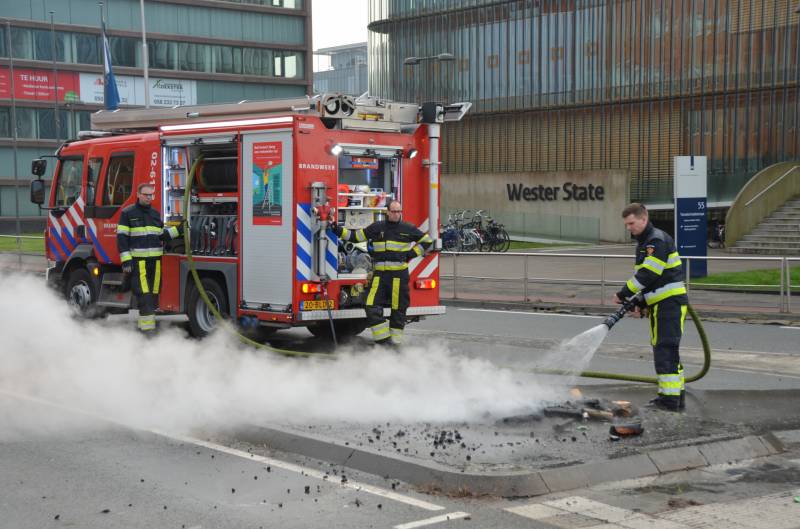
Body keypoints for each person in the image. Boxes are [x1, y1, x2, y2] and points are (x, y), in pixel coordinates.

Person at [613, 203, 688, 411]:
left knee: (665, 350)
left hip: (669, 304)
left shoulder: (656, 240)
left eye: (631, 223)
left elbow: (649, 274)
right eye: (626, 224)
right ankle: (675, 396)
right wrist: (641, 301)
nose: (629, 228)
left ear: (643, 219)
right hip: (662, 304)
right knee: (668, 351)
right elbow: (654, 282)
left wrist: (623, 293)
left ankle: (669, 401)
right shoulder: (645, 243)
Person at [333, 200, 434, 346]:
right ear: (387, 212)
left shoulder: (408, 228)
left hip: (399, 276)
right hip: (380, 276)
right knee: (370, 306)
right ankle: (384, 342)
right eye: (393, 211)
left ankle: (395, 345)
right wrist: (337, 229)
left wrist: (411, 254)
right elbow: (355, 236)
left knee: (398, 311)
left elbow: (427, 241)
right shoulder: (377, 227)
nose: (396, 214)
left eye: (399, 211)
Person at [117, 183, 181, 333]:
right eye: (145, 194)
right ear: (138, 195)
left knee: (153, 297)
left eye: (151, 195)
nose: (148, 197)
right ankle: (147, 333)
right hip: (139, 264)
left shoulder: (154, 214)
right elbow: (121, 239)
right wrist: (126, 260)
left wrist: (179, 230)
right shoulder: (128, 213)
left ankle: (146, 329)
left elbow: (161, 235)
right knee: (144, 297)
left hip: (156, 263)